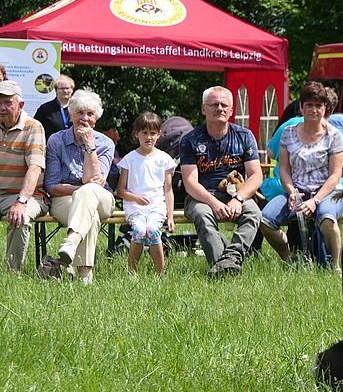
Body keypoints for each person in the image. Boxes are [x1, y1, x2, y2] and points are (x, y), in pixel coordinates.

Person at [260, 81, 343, 268]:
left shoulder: (334, 135)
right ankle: (289, 258)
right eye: (309, 105)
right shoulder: (289, 132)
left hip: (328, 192)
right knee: (265, 219)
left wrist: (315, 200)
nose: (314, 110)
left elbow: (335, 175)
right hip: (297, 190)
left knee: (327, 218)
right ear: (301, 107)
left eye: (318, 105)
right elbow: (283, 168)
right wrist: (291, 191)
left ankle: (335, 267)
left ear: (325, 108)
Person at [180, 86, 263, 277]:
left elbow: (256, 175)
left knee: (253, 213)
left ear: (232, 110)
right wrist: (214, 203)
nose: (220, 109)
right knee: (202, 215)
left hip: (236, 194)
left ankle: (231, 258)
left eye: (224, 105)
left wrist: (239, 199)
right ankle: (222, 267)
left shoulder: (244, 136)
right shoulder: (190, 140)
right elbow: (190, 182)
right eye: (214, 104)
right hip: (202, 197)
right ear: (203, 109)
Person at [45, 90, 115, 284]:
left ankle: (71, 242)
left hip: (102, 199)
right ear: (71, 114)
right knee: (88, 213)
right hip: (64, 201)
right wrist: (82, 190)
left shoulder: (106, 143)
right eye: (79, 113)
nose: (84, 118)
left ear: (96, 118)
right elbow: (52, 186)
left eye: (89, 114)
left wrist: (89, 145)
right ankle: (85, 276)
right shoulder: (56, 141)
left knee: (89, 191)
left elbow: (93, 179)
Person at [116, 112, 176, 276]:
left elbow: (168, 190)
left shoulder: (164, 159)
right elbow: (120, 190)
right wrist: (135, 198)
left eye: (152, 133)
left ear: (159, 135)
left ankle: (161, 274)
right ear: (137, 134)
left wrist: (170, 217)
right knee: (140, 231)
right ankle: (131, 273)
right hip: (135, 206)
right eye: (144, 133)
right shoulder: (130, 159)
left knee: (153, 230)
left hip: (156, 206)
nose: (148, 137)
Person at [0, 80, 48, 271]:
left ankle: (11, 274)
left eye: (7, 103)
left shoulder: (33, 127)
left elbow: (35, 168)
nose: (1, 107)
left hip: (26, 195)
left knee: (20, 217)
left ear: (20, 105)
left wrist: (21, 202)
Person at [34, 74, 75, 140]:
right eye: (62, 88)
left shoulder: (77, 108)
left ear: (72, 90)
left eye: (67, 88)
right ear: (56, 90)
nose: (65, 91)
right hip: (51, 148)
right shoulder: (45, 109)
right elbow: (35, 129)